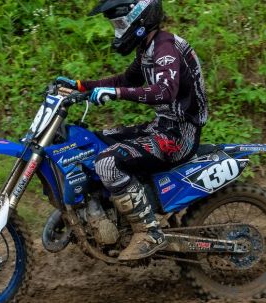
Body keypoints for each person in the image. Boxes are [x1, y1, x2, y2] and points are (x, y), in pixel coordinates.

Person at [56, 0, 208, 261]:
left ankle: (149, 231)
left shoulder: (165, 48)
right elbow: (125, 81)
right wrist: (82, 86)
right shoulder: (149, 47)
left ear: (140, 17)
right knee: (94, 142)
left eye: (119, 23)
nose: (117, 30)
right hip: (163, 127)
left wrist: (115, 94)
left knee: (106, 163)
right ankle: (111, 209)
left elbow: (164, 91)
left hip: (179, 135)